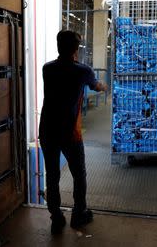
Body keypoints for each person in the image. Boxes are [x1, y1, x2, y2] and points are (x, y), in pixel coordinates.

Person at [38, 30, 107, 234]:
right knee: (79, 174)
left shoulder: (47, 69)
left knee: (52, 174)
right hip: (69, 133)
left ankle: (56, 218)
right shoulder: (82, 71)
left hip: (47, 130)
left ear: (58, 46)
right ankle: (78, 214)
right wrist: (104, 87)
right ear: (76, 50)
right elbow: (96, 85)